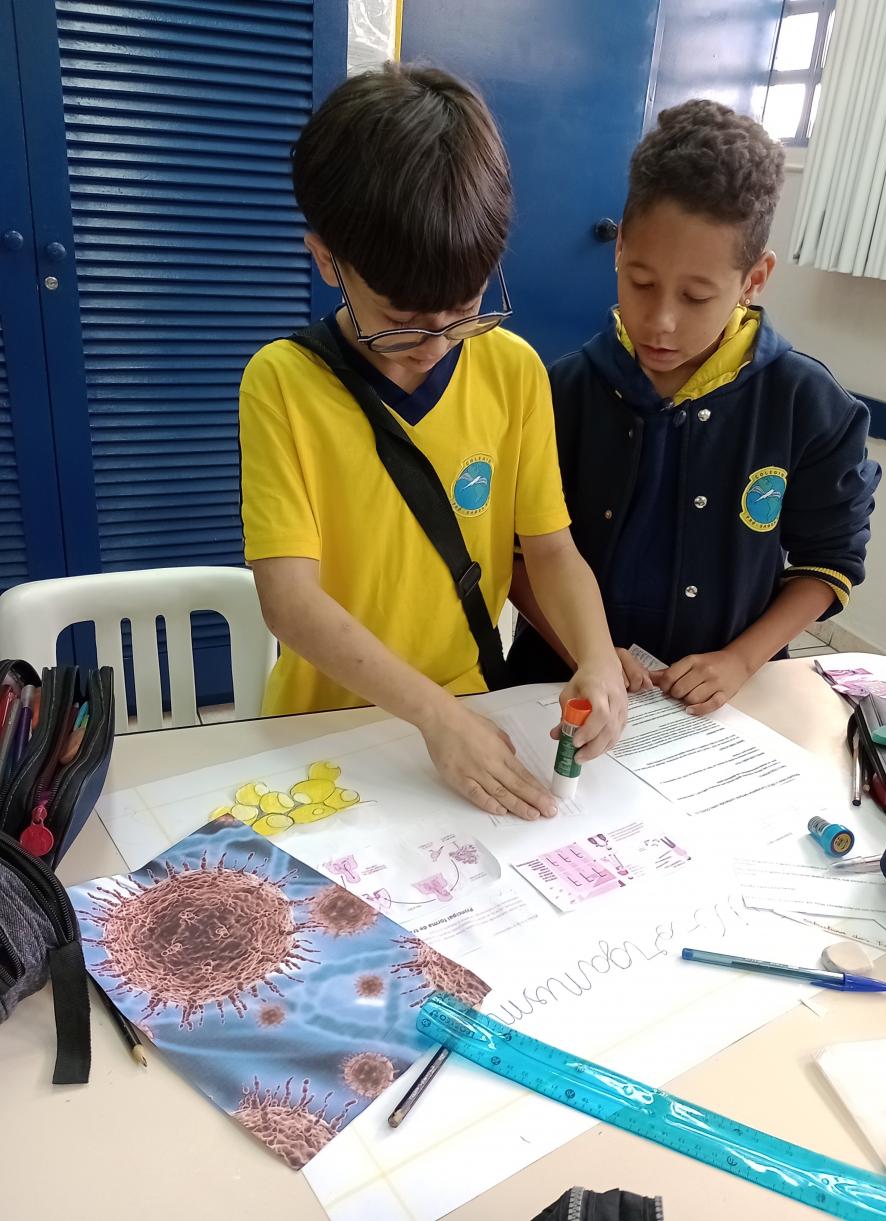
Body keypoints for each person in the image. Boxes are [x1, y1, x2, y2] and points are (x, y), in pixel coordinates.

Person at [239, 63, 629, 822]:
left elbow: (551, 550)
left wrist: (597, 655)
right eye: (402, 320)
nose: (435, 344)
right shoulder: (281, 383)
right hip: (324, 730)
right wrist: (432, 717)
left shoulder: (514, 370)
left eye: (466, 309)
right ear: (326, 259)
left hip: (471, 712)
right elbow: (288, 601)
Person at [509, 99, 880, 715]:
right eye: (641, 282)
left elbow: (830, 561)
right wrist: (586, 652)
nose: (661, 321)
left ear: (754, 279)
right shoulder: (559, 393)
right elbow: (518, 556)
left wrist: (741, 660)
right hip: (558, 682)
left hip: (729, 702)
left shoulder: (807, 404)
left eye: (697, 296)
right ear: (619, 246)